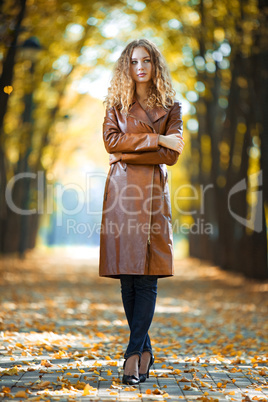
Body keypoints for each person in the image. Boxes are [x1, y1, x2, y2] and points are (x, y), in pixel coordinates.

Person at [99, 38, 184, 385]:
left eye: (146, 60)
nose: (140, 67)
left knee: (146, 276)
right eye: (134, 62)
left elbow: (172, 155)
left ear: (154, 65)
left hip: (150, 196)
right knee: (127, 277)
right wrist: (156, 140)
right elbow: (110, 142)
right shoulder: (115, 103)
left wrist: (129, 152)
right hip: (121, 194)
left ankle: (132, 355)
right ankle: (144, 350)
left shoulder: (171, 106)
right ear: (127, 66)